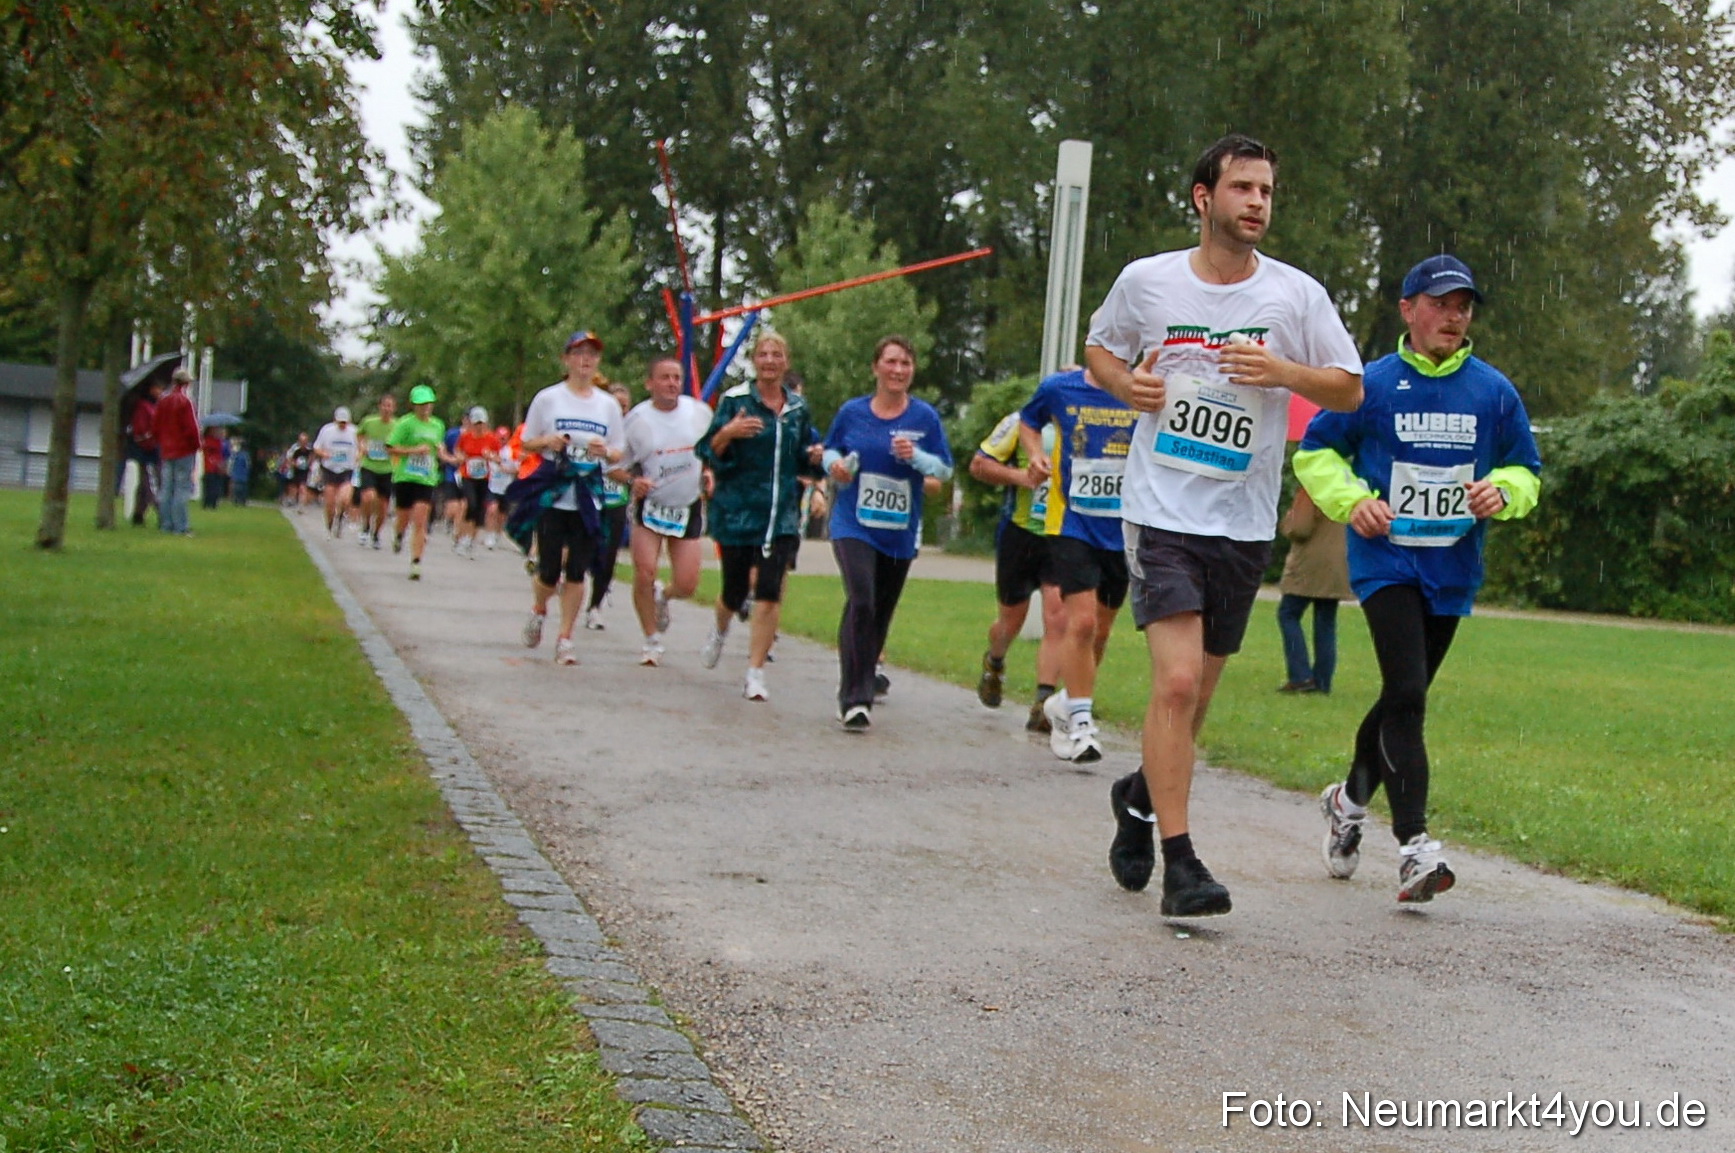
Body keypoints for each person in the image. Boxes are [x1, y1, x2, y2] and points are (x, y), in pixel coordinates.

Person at [1084, 133, 1363, 916]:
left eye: (1266, 191)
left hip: (1241, 522)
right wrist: (1125, 385)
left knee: (1194, 699)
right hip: (1161, 508)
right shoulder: (1148, 282)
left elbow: (1347, 388)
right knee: (1173, 683)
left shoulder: (1294, 296)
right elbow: (1099, 351)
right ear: (1203, 198)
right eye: (1242, 188)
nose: (1257, 203)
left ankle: (1137, 801)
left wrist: (1281, 372)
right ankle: (1182, 865)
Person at [1295, 254, 1540, 903]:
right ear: (1408, 309)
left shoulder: (1491, 390)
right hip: (1386, 562)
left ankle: (1346, 803)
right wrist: (1354, 501)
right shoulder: (1370, 383)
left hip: (1451, 568)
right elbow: (1316, 450)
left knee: (1398, 699)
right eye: (1439, 303)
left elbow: (1526, 468)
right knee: (1406, 691)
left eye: (1462, 306)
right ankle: (1412, 847)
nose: (1452, 317)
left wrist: (1502, 492)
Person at [823, 335, 953, 730]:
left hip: (898, 530)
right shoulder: (853, 412)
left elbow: (944, 471)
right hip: (853, 523)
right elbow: (829, 449)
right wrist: (836, 466)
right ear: (876, 367)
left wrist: (918, 457)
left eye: (906, 364)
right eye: (891, 362)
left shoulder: (924, 418)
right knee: (861, 599)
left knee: (880, 611)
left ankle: (862, 683)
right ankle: (855, 697)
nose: (898, 370)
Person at [695, 331, 825, 693]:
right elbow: (707, 450)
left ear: (786, 362)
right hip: (739, 511)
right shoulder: (735, 400)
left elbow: (802, 455)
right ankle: (720, 628)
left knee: (769, 591)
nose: (770, 360)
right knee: (735, 591)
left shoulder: (797, 409)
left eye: (777, 355)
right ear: (754, 360)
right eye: (763, 354)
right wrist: (729, 433)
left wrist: (814, 459)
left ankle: (755, 671)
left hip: (780, 514)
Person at [1019, 367, 1138, 762]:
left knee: (1100, 631)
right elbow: (1028, 421)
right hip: (1071, 521)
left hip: (1122, 526)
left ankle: (1066, 702)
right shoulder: (1060, 388)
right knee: (1082, 622)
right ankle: (1082, 723)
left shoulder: (1143, 385)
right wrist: (1035, 455)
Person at [517, 331, 627, 665]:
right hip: (555, 488)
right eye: (579, 354)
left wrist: (604, 451)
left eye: (592, 355)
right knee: (549, 569)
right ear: (566, 359)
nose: (586, 360)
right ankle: (539, 609)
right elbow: (525, 442)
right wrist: (548, 441)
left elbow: (619, 451)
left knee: (578, 569)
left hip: (588, 492)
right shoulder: (548, 399)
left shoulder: (607, 405)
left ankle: (565, 637)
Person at [969, 404, 1064, 728]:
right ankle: (995, 660)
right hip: (1020, 533)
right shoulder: (1020, 422)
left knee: (1057, 617)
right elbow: (979, 465)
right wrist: (1021, 477)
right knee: (1012, 621)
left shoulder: (1086, 424)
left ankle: (1043, 702)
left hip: (1062, 536)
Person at [621, 355, 713, 668]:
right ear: (650, 383)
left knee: (687, 584)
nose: (672, 383)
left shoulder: (699, 413)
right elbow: (615, 466)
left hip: (687, 504)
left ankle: (665, 594)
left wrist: (711, 471)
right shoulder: (636, 420)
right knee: (644, 570)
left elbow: (713, 449)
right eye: (665, 377)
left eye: (676, 377)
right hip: (651, 506)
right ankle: (651, 640)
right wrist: (634, 481)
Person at [1274, 487, 1350, 693]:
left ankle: (1300, 677)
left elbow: (1300, 528)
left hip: (1310, 562)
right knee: (1325, 621)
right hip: (1338, 561)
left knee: (1288, 614)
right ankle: (1322, 682)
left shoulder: (1310, 488)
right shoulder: (1346, 483)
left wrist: (1287, 521)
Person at [583, 381, 634, 629]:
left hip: (617, 498)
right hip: (590, 495)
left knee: (609, 554)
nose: (620, 410)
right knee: (586, 546)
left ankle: (595, 607)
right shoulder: (595, 428)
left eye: (624, 406)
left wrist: (632, 479)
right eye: (616, 405)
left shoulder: (633, 432)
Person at [386, 385, 450, 581]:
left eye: (428, 404)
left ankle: (416, 562)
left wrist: (442, 453)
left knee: (420, 520)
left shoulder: (437, 425)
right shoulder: (406, 424)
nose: (426, 407)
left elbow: (439, 449)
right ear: (414, 405)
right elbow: (390, 447)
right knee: (403, 518)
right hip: (405, 476)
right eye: (421, 404)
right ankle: (398, 535)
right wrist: (413, 451)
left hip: (426, 478)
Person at [154, 368, 201, 536]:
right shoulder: (185, 402)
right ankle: (180, 526)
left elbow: (156, 425)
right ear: (187, 383)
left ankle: (166, 524)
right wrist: (196, 445)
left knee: (166, 488)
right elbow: (192, 428)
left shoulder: (163, 400)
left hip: (166, 450)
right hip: (183, 450)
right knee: (182, 488)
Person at [454, 407, 501, 558]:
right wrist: (461, 456)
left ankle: (469, 540)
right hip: (468, 476)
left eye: (482, 423)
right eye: (476, 423)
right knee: (470, 504)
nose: (479, 427)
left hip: (484, 478)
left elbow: (499, 459)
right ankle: (462, 538)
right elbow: (457, 450)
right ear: (472, 423)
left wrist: (490, 456)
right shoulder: (466, 437)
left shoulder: (492, 439)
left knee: (479, 510)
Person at [355, 393, 397, 548]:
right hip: (369, 465)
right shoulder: (369, 422)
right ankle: (365, 526)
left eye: (390, 406)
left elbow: (401, 443)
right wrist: (362, 446)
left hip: (387, 468)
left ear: (394, 408)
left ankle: (376, 534)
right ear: (380, 407)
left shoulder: (397, 426)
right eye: (384, 405)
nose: (387, 408)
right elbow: (359, 435)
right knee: (368, 497)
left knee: (383, 506)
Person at [312, 406, 359, 537]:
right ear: (335, 420)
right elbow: (316, 447)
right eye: (340, 422)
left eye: (345, 422)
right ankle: (330, 522)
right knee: (330, 501)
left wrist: (358, 456)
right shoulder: (327, 431)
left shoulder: (354, 432)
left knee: (345, 498)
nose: (342, 425)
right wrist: (324, 453)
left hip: (347, 469)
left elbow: (362, 447)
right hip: (330, 469)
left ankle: (340, 518)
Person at [123, 378, 163, 526]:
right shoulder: (143, 406)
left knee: (145, 484)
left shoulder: (155, 406)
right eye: (158, 388)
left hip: (152, 447)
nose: (160, 392)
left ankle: (138, 514)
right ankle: (161, 512)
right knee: (149, 483)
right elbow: (140, 430)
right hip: (144, 449)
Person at [284, 433, 313, 511]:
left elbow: (312, 457)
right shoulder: (295, 448)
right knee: (293, 486)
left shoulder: (309, 449)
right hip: (295, 470)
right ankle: (291, 499)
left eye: (305, 441)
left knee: (303, 487)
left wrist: (309, 464)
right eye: (302, 441)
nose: (303, 443)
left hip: (305, 471)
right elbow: (289, 458)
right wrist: (294, 464)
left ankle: (301, 505)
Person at [200, 426, 227, 509]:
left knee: (213, 487)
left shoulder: (216, 442)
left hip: (213, 468)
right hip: (211, 468)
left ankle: (210, 503)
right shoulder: (210, 442)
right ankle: (210, 503)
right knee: (212, 486)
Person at [228, 438, 251, 506]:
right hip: (243, 475)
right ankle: (242, 500)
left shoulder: (236, 454)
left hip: (236, 474)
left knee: (236, 488)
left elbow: (232, 463)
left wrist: (231, 472)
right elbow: (248, 465)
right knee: (243, 488)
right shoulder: (246, 455)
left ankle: (236, 500)